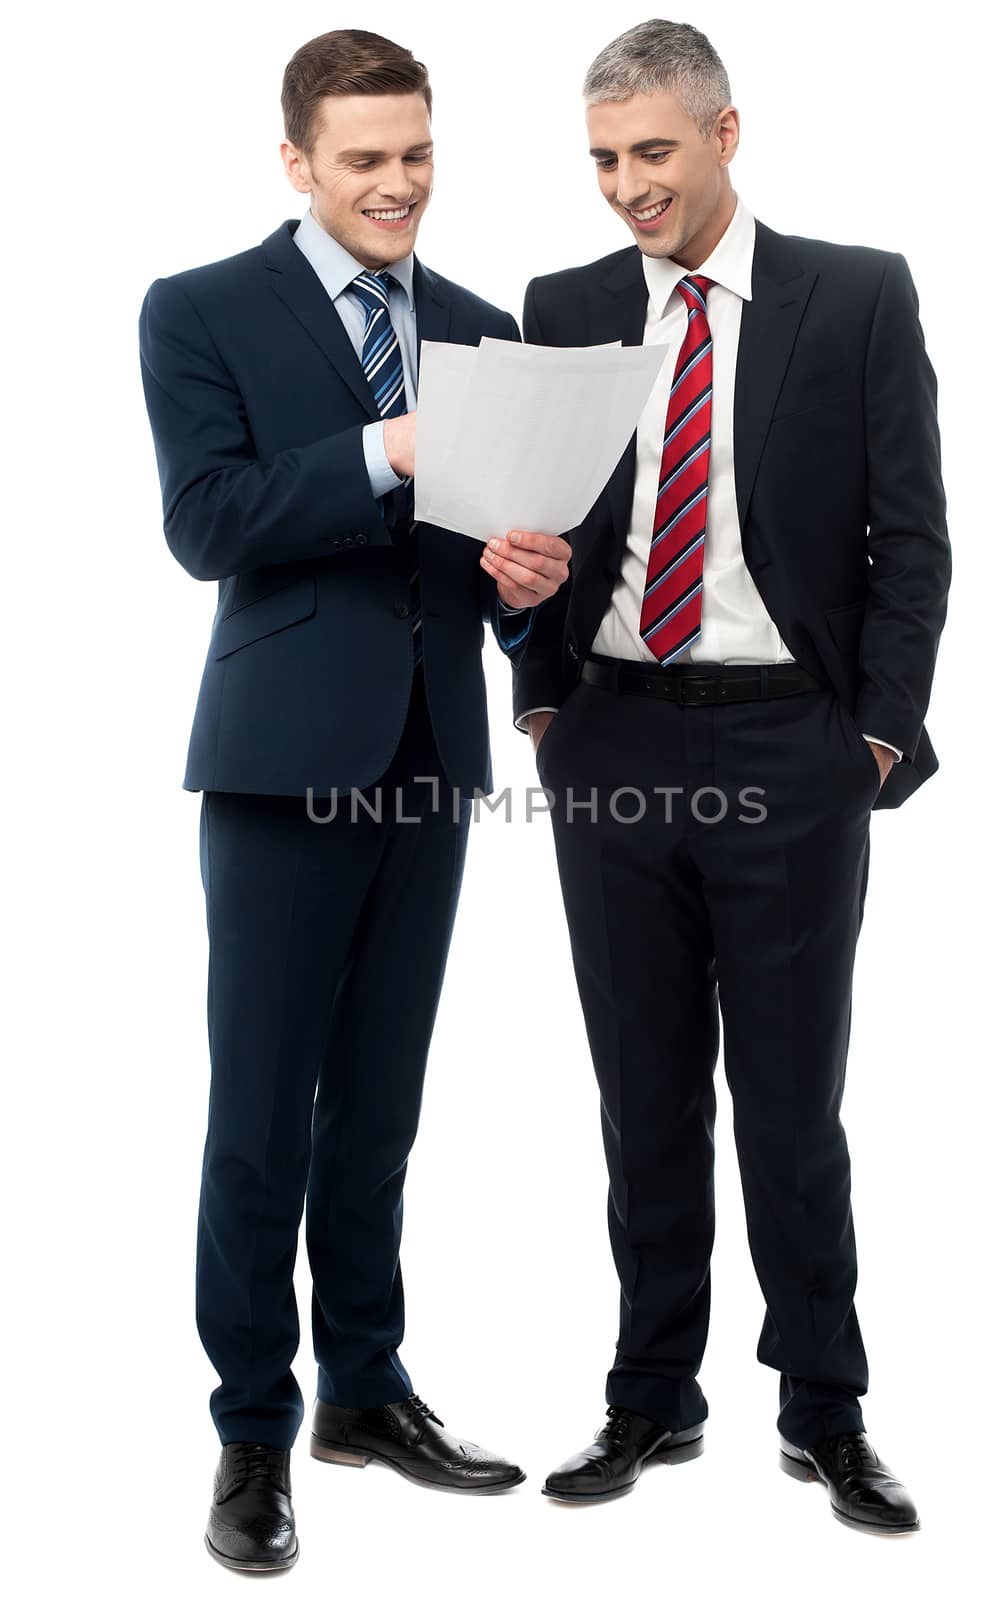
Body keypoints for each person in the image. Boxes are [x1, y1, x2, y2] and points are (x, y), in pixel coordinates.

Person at [139, 28, 570, 1574]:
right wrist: (382, 447)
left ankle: (365, 1393)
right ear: (297, 166)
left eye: (418, 153)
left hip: (431, 757)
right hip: (276, 762)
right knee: (259, 1115)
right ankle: (253, 1430)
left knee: (376, 1111)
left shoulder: (476, 324)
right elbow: (207, 522)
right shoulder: (198, 309)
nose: (398, 185)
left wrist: (526, 586)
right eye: (365, 159)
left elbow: (484, 569)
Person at [512, 20, 949, 1533]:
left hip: (789, 745)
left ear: (724, 135)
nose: (626, 186)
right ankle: (650, 1399)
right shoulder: (560, 306)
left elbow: (913, 539)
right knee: (641, 1099)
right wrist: (542, 692)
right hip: (614, 735)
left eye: (651, 152)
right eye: (603, 159)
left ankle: (824, 1412)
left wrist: (874, 742)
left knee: (787, 1101)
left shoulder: (853, 292)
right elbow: (533, 535)